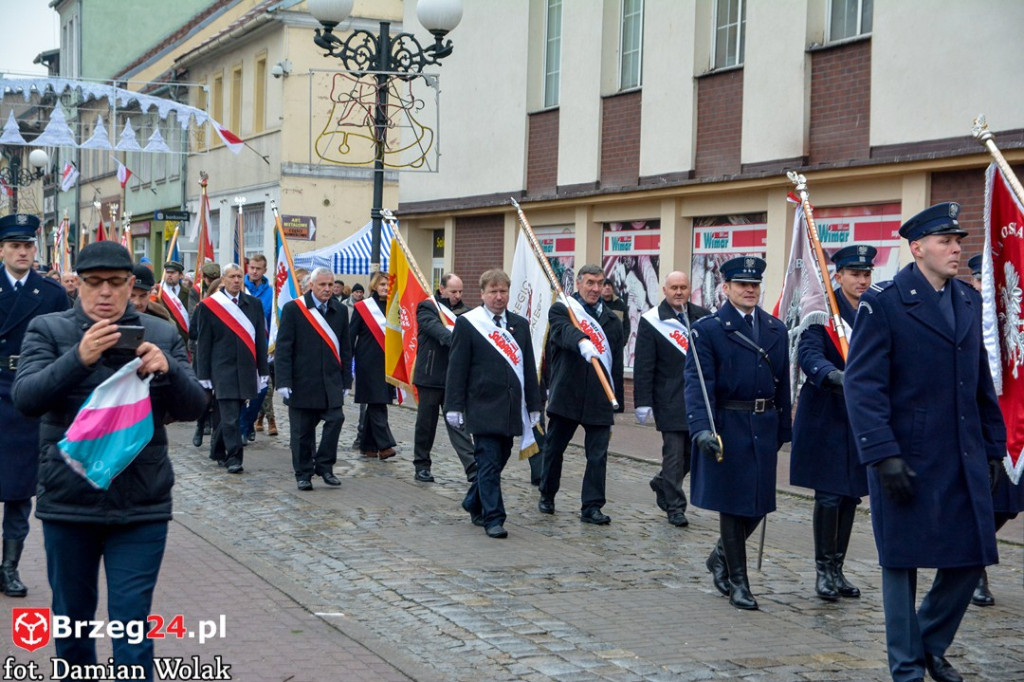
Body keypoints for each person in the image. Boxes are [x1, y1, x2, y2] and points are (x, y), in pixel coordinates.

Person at [11, 241, 205, 678]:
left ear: (130, 286)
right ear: (77, 285)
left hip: (142, 503)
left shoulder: (161, 334)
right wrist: (78, 358)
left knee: (133, 627)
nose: (104, 293)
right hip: (69, 500)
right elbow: (27, 398)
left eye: (115, 284)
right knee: (73, 625)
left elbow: (195, 407)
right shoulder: (49, 329)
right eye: (94, 283)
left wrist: (169, 371)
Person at [845, 202, 1005, 682]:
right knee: (902, 563)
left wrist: (994, 445)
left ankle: (930, 642)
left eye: (958, 241)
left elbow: (980, 379)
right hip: (906, 452)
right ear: (917, 249)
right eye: (945, 241)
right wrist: (882, 453)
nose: (957, 249)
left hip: (962, 449)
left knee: (972, 554)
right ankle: (908, 666)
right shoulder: (886, 301)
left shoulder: (968, 300)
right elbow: (863, 384)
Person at [684, 256, 791, 611]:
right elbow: (698, 385)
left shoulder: (775, 329)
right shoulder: (709, 330)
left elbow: (783, 385)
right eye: (742, 285)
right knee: (733, 504)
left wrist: (784, 428)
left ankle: (720, 557)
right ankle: (738, 582)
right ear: (726, 288)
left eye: (755, 285)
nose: (750, 290)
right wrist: (701, 428)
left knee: (759, 503)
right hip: (728, 425)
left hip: (763, 424)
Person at [790, 244, 876, 602]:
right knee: (828, 497)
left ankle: (838, 568)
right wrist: (832, 375)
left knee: (849, 498)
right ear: (837, 276)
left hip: (859, 419)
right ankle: (823, 571)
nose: (861, 280)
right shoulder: (822, 311)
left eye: (866, 274)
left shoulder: (875, 312)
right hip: (827, 415)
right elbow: (808, 353)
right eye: (854, 274)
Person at [0, 213, 69, 597]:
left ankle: (8, 567)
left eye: (27, 246)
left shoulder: (53, 293)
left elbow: (65, 346)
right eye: (15, 246)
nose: (22, 252)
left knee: (18, 488)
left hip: (29, 391)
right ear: (2, 250)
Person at [445, 269, 541, 538]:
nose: (499, 297)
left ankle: (473, 500)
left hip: (511, 407)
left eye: (503, 291)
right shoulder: (468, 323)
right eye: (493, 291)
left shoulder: (519, 325)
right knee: (487, 462)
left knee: (500, 457)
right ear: (483, 294)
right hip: (483, 404)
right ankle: (494, 518)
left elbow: (528, 368)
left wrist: (534, 405)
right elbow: (457, 367)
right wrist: (453, 405)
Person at [537, 264, 624, 525]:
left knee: (597, 455)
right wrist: (582, 341)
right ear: (579, 283)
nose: (596, 289)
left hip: (599, 397)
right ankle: (547, 493)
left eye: (600, 283)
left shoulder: (612, 320)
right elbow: (562, 333)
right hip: (568, 392)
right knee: (554, 449)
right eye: (590, 283)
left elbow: (616, 363)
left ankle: (592, 506)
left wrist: (615, 402)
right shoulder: (563, 309)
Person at [633, 271, 710, 527]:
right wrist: (642, 402)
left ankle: (662, 482)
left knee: (694, 452)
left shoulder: (703, 317)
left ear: (690, 290)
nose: (679, 292)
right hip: (669, 398)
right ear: (664, 290)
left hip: (698, 399)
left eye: (683, 287)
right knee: (675, 455)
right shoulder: (652, 321)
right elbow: (644, 365)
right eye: (674, 287)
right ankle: (676, 507)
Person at [275, 267, 352, 490]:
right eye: (322, 285)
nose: (327, 289)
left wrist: (347, 381)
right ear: (311, 285)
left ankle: (325, 466)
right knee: (302, 432)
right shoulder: (294, 309)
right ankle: (303, 473)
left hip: (330, 383)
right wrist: (283, 381)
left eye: (330, 285)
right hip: (302, 382)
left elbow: (345, 348)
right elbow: (283, 348)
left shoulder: (339, 310)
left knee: (336, 419)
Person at [195, 263, 269, 474]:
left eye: (239, 276)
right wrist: (204, 374)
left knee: (233, 414)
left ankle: (217, 450)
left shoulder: (253, 304)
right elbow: (204, 342)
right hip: (222, 369)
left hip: (246, 368)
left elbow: (260, 341)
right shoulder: (210, 306)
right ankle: (234, 457)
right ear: (224, 280)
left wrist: (262, 370)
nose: (236, 280)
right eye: (232, 277)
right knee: (229, 416)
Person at [412, 273, 476, 483]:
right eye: (453, 291)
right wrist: (458, 340)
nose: (457, 295)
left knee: (459, 423)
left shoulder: (467, 314)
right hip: (430, 376)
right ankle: (421, 465)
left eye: (460, 291)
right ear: (442, 289)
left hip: (454, 378)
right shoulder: (427, 308)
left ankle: (472, 467)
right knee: (426, 425)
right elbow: (436, 330)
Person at [350, 272, 397, 459]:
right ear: (374, 286)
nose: (385, 287)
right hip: (368, 362)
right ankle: (385, 445)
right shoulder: (363, 307)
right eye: (382, 284)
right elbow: (351, 335)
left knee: (376, 401)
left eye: (388, 284)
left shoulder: (395, 308)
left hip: (387, 362)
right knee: (377, 402)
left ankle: (368, 446)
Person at [240, 254, 273, 442]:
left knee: (261, 389)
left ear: (264, 270)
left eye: (258, 268)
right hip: (242, 346)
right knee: (241, 390)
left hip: (263, 347)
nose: (254, 271)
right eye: (251, 267)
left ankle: (248, 421)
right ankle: (243, 428)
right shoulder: (240, 288)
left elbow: (273, 320)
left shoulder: (271, 292)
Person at [129, 265, 183, 344]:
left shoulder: (163, 318)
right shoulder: (110, 317)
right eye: (132, 295)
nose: (137, 302)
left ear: (151, 293)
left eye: (143, 296)